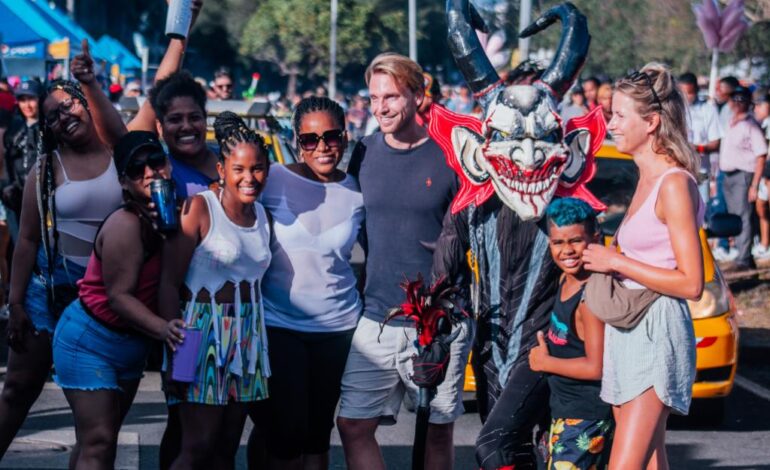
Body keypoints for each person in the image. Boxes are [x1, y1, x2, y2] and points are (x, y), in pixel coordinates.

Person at [336, 52, 471, 470]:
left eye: (391, 96)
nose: (380, 107)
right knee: (353, 424)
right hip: (376, 317)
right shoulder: (363, 153)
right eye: (374, 98)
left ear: (417, 95)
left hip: (440, 322)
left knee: (436, 430)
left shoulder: (450, 155)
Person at [581, 63, 705, 469]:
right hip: (629, 326)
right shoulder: (646, 179)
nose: (610, 122)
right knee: (651, 460)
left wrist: (616, 260)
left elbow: (691, 283)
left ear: (651, 122)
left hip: (656, 327)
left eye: (619, 115)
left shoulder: (673, 184)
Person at [0, 80, 123, 458]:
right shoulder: (46, 168)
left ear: (87, 102)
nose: (62, 117)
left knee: (94, 420)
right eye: (52, 116)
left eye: (68, 105)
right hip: (49, 293)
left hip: (104, 301)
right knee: (18, 389)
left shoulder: (123, 153)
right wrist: (16, 303)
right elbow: (27, 241)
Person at [51, 131, 186, 469]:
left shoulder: (176, 213)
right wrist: (166, 330)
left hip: (131, 345)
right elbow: (119, 297)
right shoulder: (127, 223)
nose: (150, 173)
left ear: (168, 165)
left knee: (96, 441)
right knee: (99, 440)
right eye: (137, 168)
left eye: (156, 162)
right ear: (124, 183)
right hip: (90, 341)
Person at [251, 96, 364, 470]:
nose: (322, 147)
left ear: (344, 139)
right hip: (280, 325)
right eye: (310, 139)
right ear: (296, 142)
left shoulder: (357, 192)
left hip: (339, 327)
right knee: (286, 430)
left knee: (318, 431)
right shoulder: (273, 179)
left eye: (331, 137)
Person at [159, 111, 271, 469]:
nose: (249, 178)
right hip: (200, 332)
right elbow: (168, 283)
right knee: (197, 446)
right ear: (222, 170)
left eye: (257, 169)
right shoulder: (199, 208)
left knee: (225, 448)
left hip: (248, 335)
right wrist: (176, 356)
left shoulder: (263, 215)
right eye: (238, 169)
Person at [528, 197, 613, 470]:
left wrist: (545, 363)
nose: (567, 251)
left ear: (594, 238)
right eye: (558, 243)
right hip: (563, 410)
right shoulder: (565, 279)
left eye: (576, 240)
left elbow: (596, 366)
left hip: (586, 414)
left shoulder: (589, 299)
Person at [719, 86, 767, 270]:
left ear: (748, 103)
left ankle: (744, 258)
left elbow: (761, 155)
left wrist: (754, 185)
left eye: (741, 100)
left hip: (743, 175)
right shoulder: (731, 122)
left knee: (743, 217)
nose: (737, 103)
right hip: (728, 175)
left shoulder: (750, 125)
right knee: (734, 217)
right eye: (734, 100)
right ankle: (743, 254)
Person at [149, 71, 219, 200]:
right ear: (160, 127)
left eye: (194, 117)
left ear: (205, 119)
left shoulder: (232, 159)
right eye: (175, 120)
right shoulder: (161, 177)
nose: (187, 126)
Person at [677, 72, 721, 205]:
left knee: (700, 210)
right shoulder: (674, 109)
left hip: (700, 171)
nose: (686, 97)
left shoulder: (708, 110)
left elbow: (716, 143)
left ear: (696, 90)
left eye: (689, 93)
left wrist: (697, 148)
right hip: (678, 169)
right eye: (682, 93)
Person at [753, 94, 770, 259]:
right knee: (761, 207)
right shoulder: (762, 124)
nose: (756, 108)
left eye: (760, 105)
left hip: (768, 173)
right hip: (764, 173)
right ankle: (765, 244)